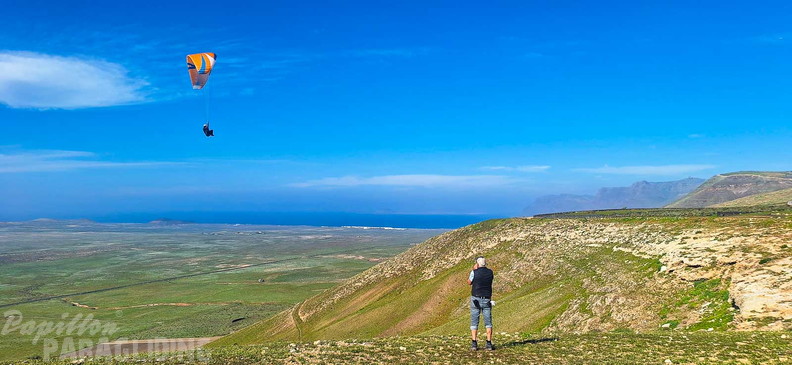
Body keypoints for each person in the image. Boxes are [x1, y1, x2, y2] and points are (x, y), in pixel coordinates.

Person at [468, 256, 494, 351]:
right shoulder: (490, 272)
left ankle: (474, 343)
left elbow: (469, 282)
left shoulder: (474, 272)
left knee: (474, 321)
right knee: (488, 322)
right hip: (487, 299)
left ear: (477, 264)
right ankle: (489, 343)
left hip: (476, 298)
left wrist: (474, 270)